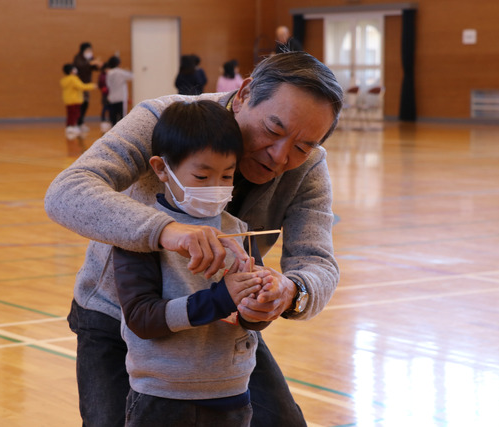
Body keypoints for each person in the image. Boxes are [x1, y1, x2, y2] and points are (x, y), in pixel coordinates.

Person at [45, 51, 344, 427]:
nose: (280, 155)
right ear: (244, 94)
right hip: (117, 312)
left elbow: (317, 261)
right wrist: (166, 231)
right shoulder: (166, 120)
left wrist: (291, 291)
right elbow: (66, 191)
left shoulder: (310, 168)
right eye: (273, 129)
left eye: (302, 146)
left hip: (217, 323)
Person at [115, 100, 276, 426]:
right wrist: (220, 299)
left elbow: (250, 319)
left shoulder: (239, 230)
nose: (216, 188)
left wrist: (262, 306)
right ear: (162, 169)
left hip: (231, 392)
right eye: (202, 176)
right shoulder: (141, 231)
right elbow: (142, 319)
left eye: (227, 175)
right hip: (161, 396)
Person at [59, 63, 97, 138]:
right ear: (71, 71)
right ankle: (72, 126)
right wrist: (92, 86)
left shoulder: (66, 80)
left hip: (68, 100)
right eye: (74, 68)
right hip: (75, 100)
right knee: (75, 114)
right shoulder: (73, 79)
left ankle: (70, 126)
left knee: (71, 114)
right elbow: (81, 86)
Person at [73, 42, 103, 132]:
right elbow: (80, 66)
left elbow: (94, 67)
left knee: (85, 103)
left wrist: (98, 65)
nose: (89, 52)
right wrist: (90, 63)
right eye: (87, 50)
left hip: (86, 84)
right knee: (79, 104)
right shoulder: (78, 58)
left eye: (90, 50)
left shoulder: (89, 58)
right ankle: (77, 123)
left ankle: (81, 122)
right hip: (79, 84)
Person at [105, 56, 133, 128]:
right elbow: (132, 76)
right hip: (121, 98)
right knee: (122, 117)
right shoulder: (121, 72)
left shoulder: (109, 73)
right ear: (118, 63)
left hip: (112, 98)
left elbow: (108, 84)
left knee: (113, 117)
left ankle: (113, 131)